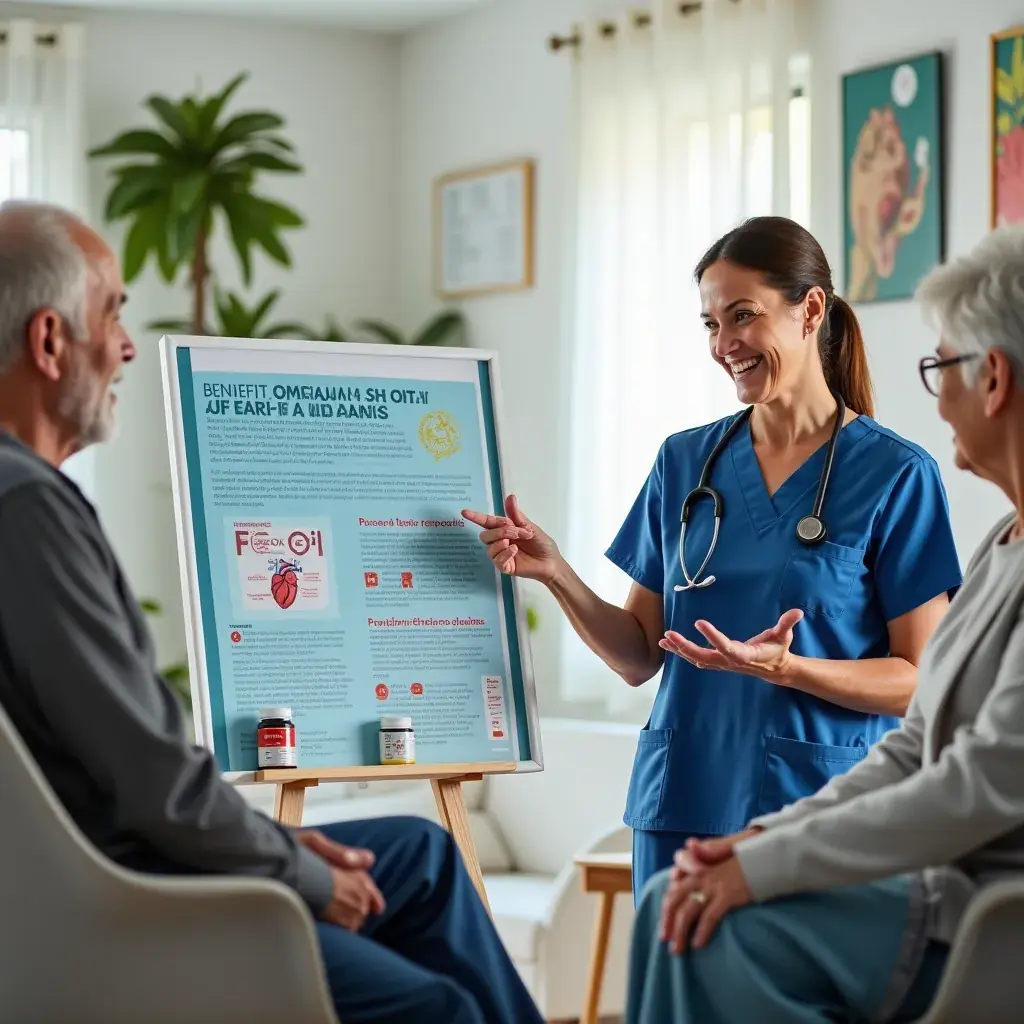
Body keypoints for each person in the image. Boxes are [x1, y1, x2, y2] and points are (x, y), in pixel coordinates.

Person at [0, 200, 543, 1024]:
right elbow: (153, 784)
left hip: (127, 860)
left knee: (423, 855)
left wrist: (284, 845)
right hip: (132, 892)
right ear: (49, 341)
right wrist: (303, 873)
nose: (126, 346)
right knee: (434, 1007)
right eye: (112, 314)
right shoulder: (28, 511)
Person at [464, 216, 962, 894]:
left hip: (817, 810)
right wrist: (555, 574)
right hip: (682, 805)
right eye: (710, 324)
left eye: (743, 316)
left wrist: (790, 669)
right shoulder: (684, 462)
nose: (724, 345)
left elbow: (918, 680)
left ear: (810, 309)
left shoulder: (896, 474)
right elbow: (639, 656)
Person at [625, 222, 1024, 1024]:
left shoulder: (895, 473)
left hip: (961, 901)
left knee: (703, 931)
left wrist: (767, 855)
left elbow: (974, 769)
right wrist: (761, 844)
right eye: (710, 323)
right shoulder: (1002, 547)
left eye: (941, 366)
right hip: (700, 784)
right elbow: (921, 743)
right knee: (672, 910)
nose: (934, 394)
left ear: (993, 380)